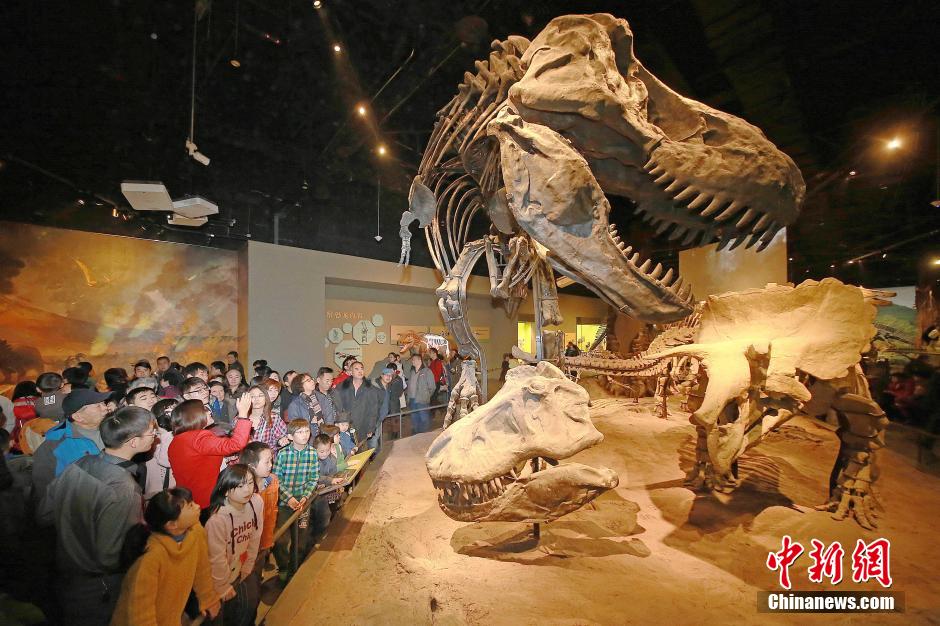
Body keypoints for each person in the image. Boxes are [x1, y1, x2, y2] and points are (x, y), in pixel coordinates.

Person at [37, 406, 156, 625]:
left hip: (64, 575)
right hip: (99, 590)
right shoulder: (123, 488)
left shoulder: (81, 463)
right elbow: (110, 556)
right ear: (133, 441)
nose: (155, 437)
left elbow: (44, 515)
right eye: (151, 433)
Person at [111, 487, 220, 625]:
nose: (198, 507)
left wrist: (208, 598)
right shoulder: (151, 558)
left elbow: (202, 568)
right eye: (190, 506)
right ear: (172, 525)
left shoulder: (196, 532)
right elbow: (141, 614)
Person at [167, 395, 254, 509]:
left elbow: (195, 463)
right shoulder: (199, 437)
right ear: (194, 416)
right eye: (204, 410)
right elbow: (236, 444)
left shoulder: (176, 441)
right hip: (206, 499)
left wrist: (225, 458)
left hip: (187, 498)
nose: (209, 411)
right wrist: (243, 414)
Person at [31, 388, 111, 505]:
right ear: (78, 417)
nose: (105, 408)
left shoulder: (113, 429)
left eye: (103, 403)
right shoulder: (54, 447)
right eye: (97, 406)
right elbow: (46, 492)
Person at [272, 419, 328, 583]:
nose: (305, 435)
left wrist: (305, 497)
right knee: (281, 540)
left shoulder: (312, 453)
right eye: (300, 432)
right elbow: (277, 480)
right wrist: (289, 498)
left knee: (301, 538)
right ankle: (283, 567)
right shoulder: (282, 454)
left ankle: (294, 569)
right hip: (284, 503)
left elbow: (313, 478)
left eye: (306, 431)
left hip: (304, 502)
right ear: (290, 436)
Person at [205, 465, 262, 626]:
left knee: (250, 603)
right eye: (240, 486)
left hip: (241, 567)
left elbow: (255, 535)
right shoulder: (217, 520)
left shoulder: (256, 502)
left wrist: (248, 564)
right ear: (225, 490)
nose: (247, 490)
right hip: (218, 577)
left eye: (250, 483)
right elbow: (216, 557)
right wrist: (222, 586)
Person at [239, 442, 279, 578]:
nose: (271, 465)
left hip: (264, 539)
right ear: (252, 467)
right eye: (267, 462)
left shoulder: (273, 481)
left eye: (271, 461)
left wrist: (267, 541)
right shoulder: (241, 492)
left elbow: (272, 512)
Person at [334, 361, 382, 450]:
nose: (360, 371)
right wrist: (339, 423)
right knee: (347, 453)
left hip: (363, 426)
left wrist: (371, 427)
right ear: (351, 372)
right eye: (356, 369)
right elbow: (337, 406)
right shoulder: (342, 387)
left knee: (361, 452)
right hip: (345, 427)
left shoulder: (370, 389)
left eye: (361, 368)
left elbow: (374, 410)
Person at [144, 399, 178, 500]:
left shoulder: (177, 433)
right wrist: (166, 433)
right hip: (159, 492)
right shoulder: (156, 436)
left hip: (174, 491)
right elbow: (166, 460)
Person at [253, 381, 288, 450]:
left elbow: (280, 434)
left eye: (276, 390)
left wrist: (280, 440)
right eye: (270, 390)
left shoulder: (276, 409)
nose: (274, 393)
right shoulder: (250, 409)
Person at [374, 366, 404, 446]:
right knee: (374, 439)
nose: (388, 377)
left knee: (378, 435)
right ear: (381, 375)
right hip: (375, 417)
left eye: (390, 375)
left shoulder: (387, 386)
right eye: (386, 375)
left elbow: (398, 393)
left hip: (384, 414)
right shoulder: (375, 387)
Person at [314, 433, 346, 505]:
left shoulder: (332, 458)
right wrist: (329, 481)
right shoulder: (313, 461)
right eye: (322, 452)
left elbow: (333, 471)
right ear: (315, 449)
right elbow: (315, 476)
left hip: (328, 487)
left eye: (328, 450)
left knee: (337, 499)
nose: (325, 454)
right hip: (317, 490)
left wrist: (333, 479)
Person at [406, 354, 435, 433]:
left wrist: (426, 396)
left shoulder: (427, 371)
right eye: (412, 360)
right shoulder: (412, 372)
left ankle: (423, 436)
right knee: (414, 418)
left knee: (424, 418)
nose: (412, 361)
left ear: (419, 360)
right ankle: (416, 435)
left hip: (422, 400)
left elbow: (432, 387)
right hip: (412, 399)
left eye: (414, 359)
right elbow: (409, 385)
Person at [10, 381, 40, 453]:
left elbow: (11, 426)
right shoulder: (41, 403)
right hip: (40, 442)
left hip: (20, 444)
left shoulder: (12, 405)